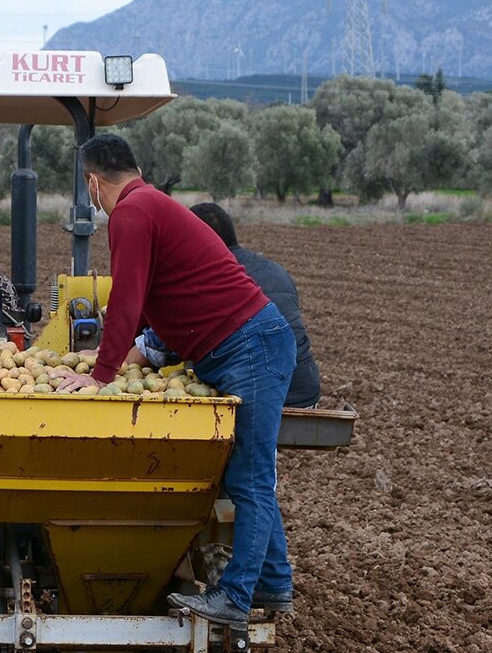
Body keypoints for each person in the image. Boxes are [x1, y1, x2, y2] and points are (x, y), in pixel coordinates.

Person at [54, 134, 297, 627]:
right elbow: (142, 300)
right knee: (245, 476)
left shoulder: (132, 212)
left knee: (248, 478)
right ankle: (273, 583)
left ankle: (235, 598)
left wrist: (100, 377)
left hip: (248, 345)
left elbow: (126, 298)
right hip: (242, 346)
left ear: (93, 183)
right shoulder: (150, 204)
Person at [190, 202, 321, 408]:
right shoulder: (275, 270)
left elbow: (162, 346)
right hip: (305, 390)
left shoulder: (211, 277)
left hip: (258, 400)